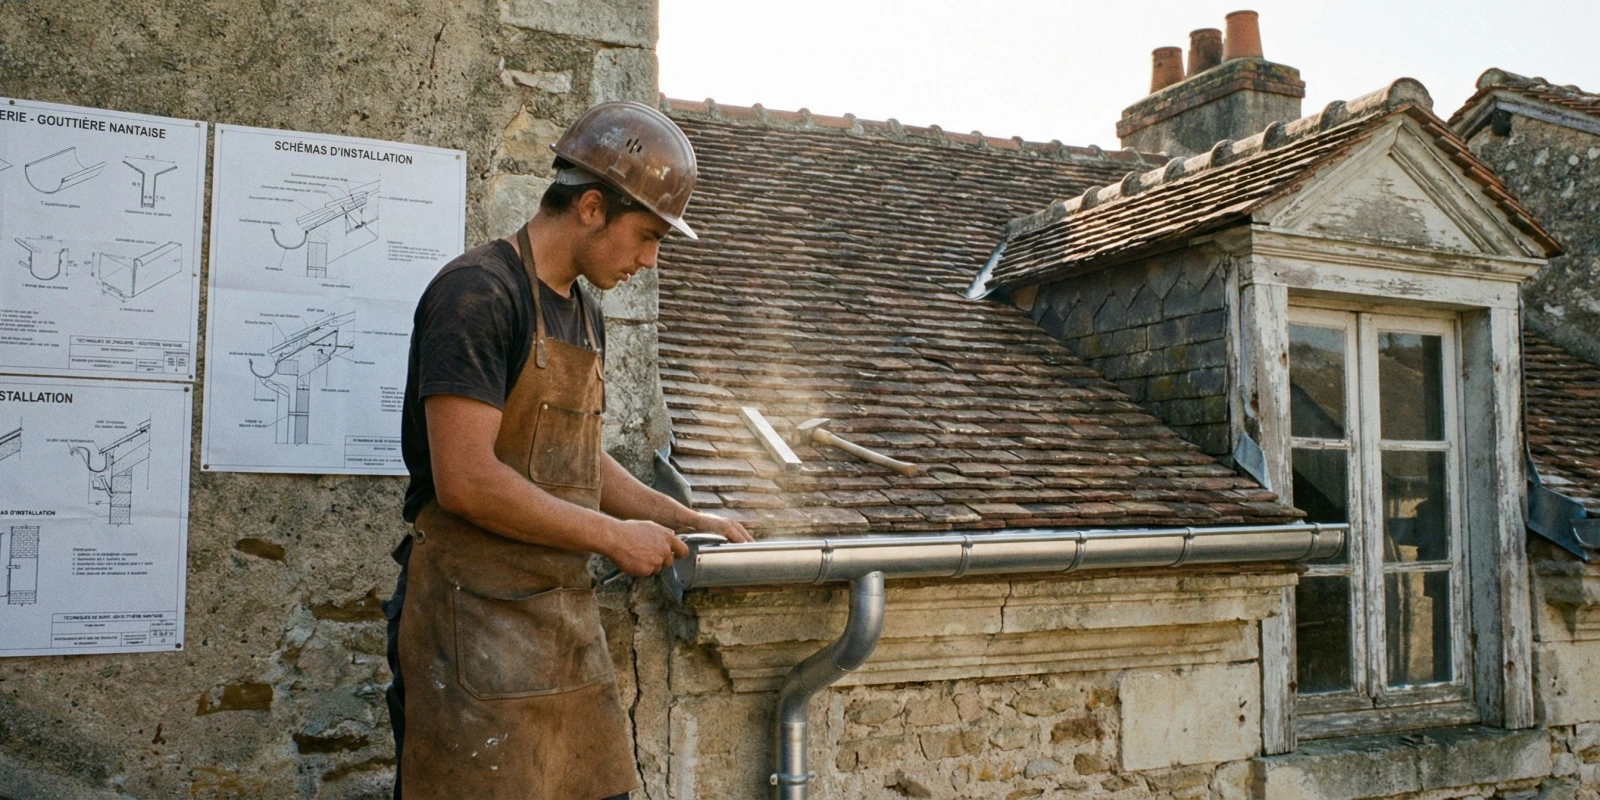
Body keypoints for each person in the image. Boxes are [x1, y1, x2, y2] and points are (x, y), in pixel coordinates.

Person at [382, 101, 752, 800]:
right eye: (646, 236)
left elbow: (578, 461)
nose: (649, 260)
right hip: (468, 621)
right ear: (590, 206)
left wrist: (682, 518)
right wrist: (612, 536)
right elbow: (465, 479)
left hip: (557, 618)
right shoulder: (479, 295)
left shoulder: (583, 310)